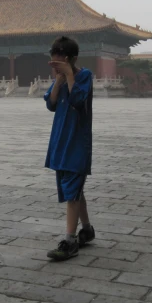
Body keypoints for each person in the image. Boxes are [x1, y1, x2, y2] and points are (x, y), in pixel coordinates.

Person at [43, 36, 95, 261]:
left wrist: (70, 75)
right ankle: (87, 229)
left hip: (77, 144)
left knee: (73, 190)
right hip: (60, 142)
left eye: (59, 64)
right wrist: (58, 80)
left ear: (71, 59)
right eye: (53, 64)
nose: (56, 68)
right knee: (74, 190)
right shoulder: (60, 79)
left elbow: (77, 100)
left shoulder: (84, 76)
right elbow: (51, 104)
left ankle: (70, 239)